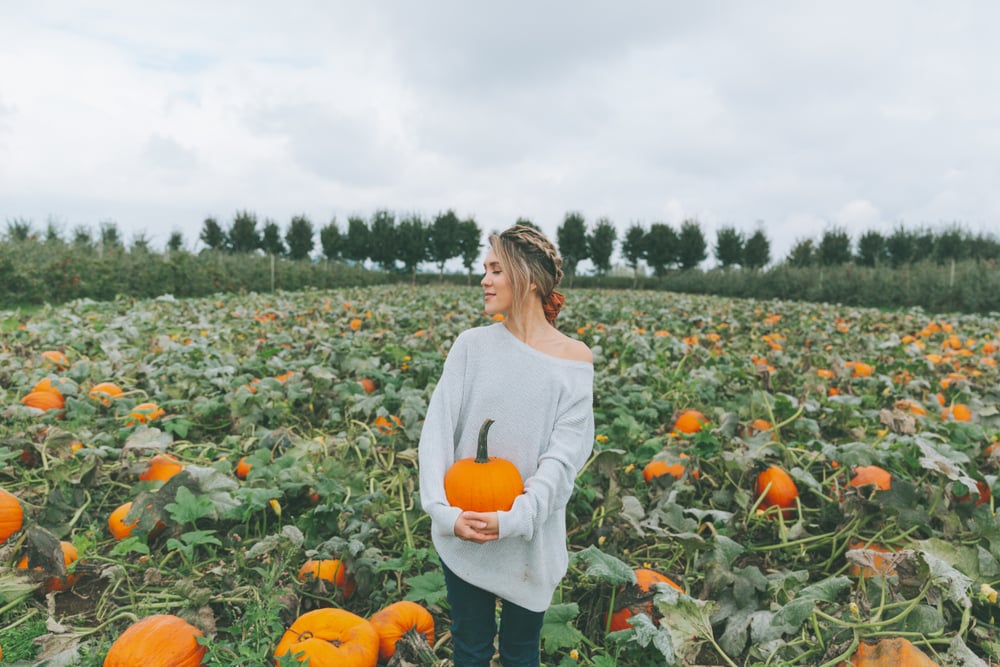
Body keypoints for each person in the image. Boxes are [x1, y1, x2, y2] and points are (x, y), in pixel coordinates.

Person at [418, 224, 595, 667]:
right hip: (466, 527)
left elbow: (563, 459)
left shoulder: (573, 361)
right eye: (485, 269)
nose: (484, 280)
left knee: (520, 652)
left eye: (496, 269)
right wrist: (445, 514)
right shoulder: (471, 347)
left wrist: (517, 517)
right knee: (471, 647)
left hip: (530, 536)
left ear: (529, 279)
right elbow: (436, 435)